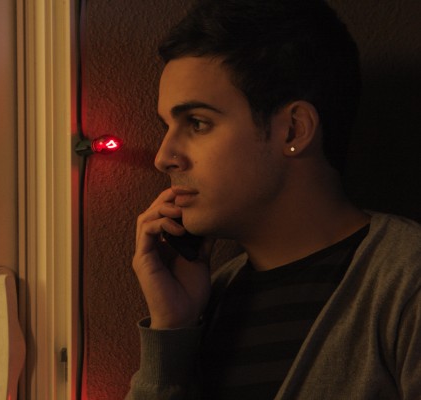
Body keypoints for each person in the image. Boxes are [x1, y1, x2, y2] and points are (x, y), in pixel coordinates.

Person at [126, 0, 421, 398]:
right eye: (167, 126)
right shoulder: (207, 303)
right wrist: (171, 334)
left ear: (294, 130)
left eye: (197, 123)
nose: (164, 157)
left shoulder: (404, 282)